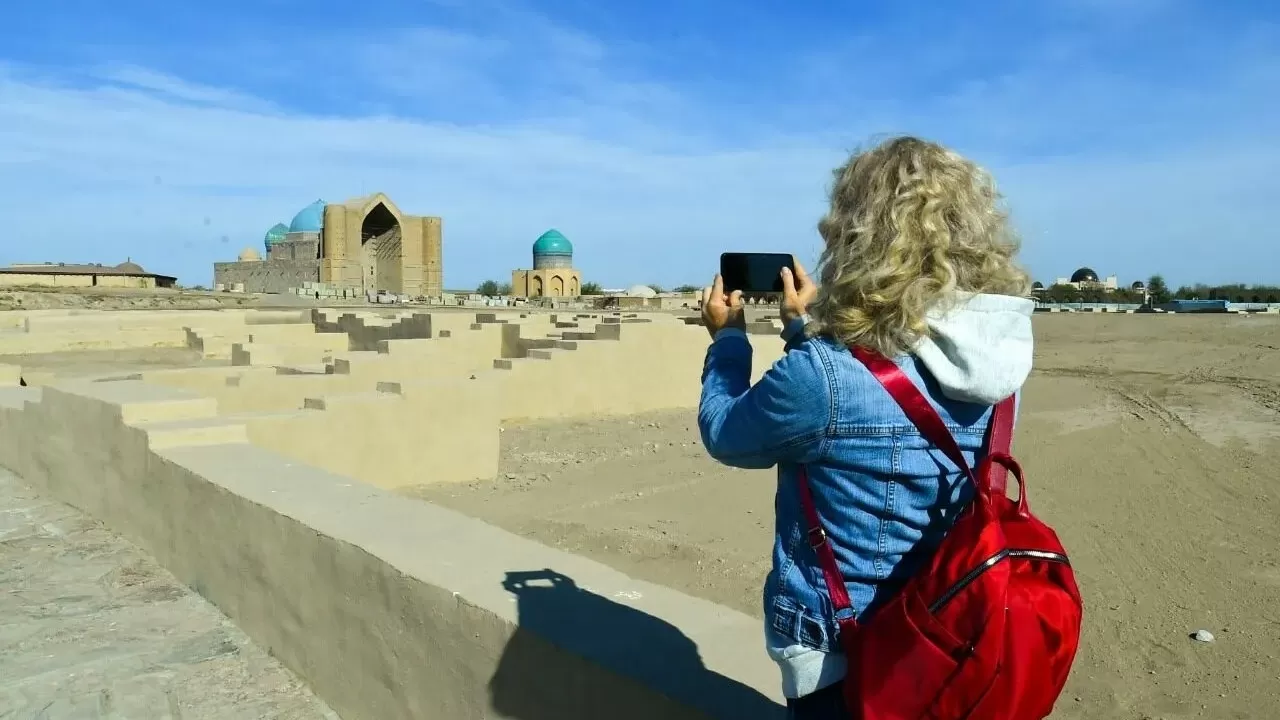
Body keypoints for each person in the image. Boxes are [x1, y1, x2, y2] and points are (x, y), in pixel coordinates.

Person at [697, 136, 1034, 719]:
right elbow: (878, 387)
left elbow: (727, 432)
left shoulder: (822, 377)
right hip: (954, 638)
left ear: (856, 239)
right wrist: (804, 328)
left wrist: (727, 340)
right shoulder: (999, 364)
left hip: (849, 660)